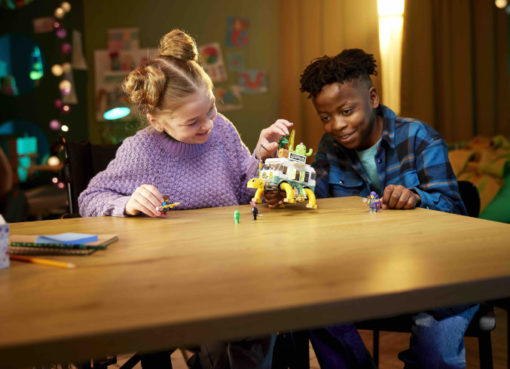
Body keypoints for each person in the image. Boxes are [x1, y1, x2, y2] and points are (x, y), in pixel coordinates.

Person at [79, 29, 292, 369]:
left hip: (233, 269)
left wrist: (263, 163)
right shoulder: (141, 151)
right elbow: (90, 198)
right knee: (220, 334)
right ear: (156, 120)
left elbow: (244, 190)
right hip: (175, 283)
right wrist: (128, 203)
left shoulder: (222, 129)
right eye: (193, 122)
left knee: (260, 320)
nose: (207, 124)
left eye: (210, 109)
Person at [269, 49, 478, 368]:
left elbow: (455, 209)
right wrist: (288, 192)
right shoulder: (330, 149)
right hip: (366, 272)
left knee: (434, 354)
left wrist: (417, 197)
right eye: (326, 117)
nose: (337, 125)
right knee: (308, 302)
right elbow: (316, 199)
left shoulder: (420, 138)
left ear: (373, 97)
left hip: (435, 272)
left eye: (347, 110)